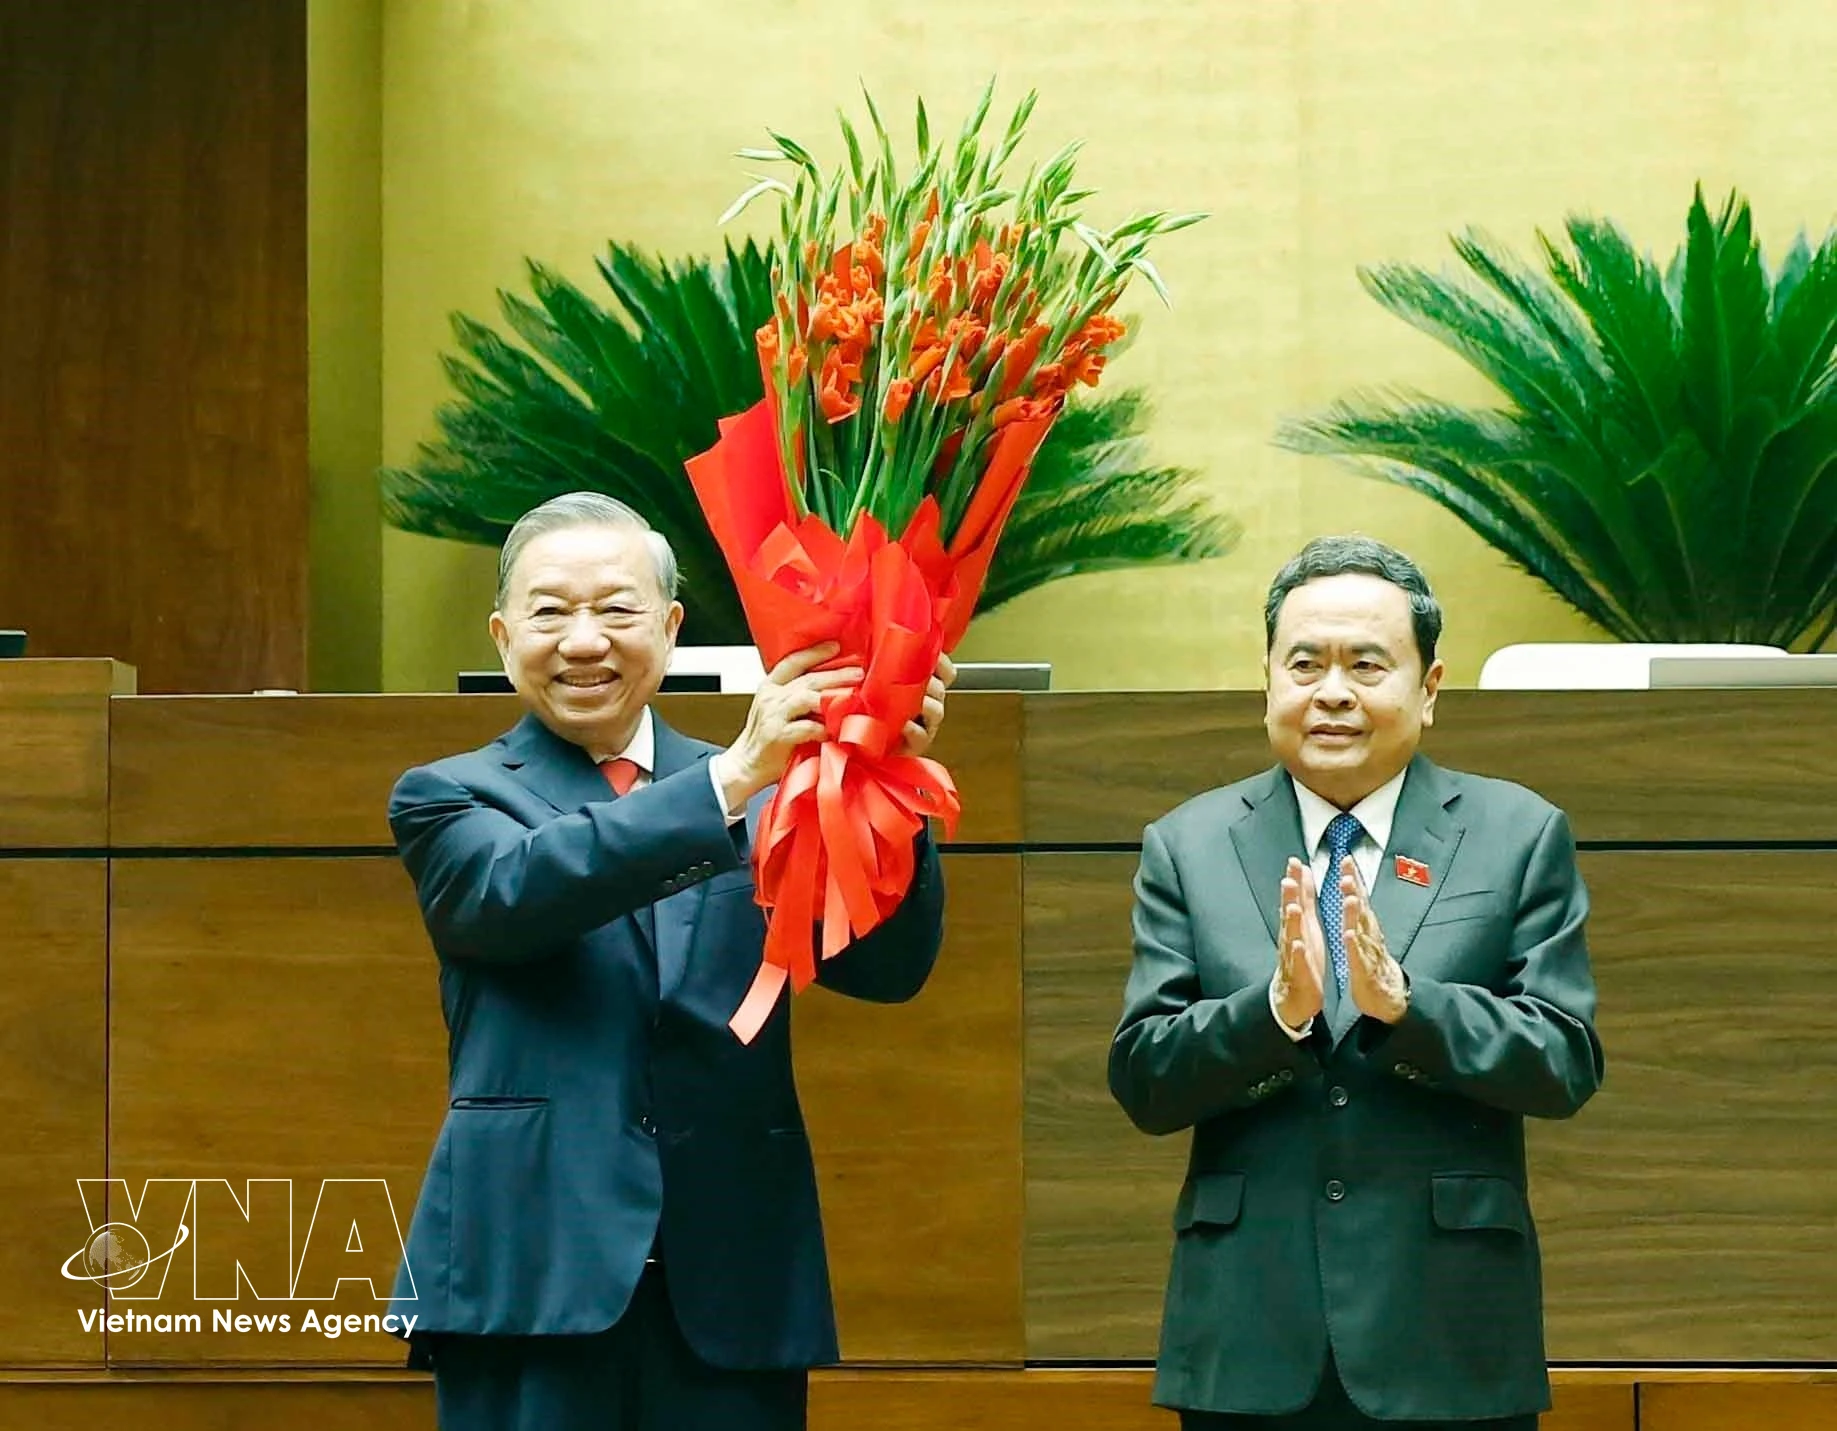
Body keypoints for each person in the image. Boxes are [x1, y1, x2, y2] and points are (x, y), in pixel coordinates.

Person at [385, 492, 950, 1431]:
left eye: (615, 609)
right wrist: (731, 779)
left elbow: (883, 968)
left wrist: (878, 778)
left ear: (671, 625)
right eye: (550, 611)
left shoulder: (776, 790)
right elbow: (514, 897)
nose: (583, 641)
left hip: (731, 1279)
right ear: (499, 633)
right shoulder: (450, 795)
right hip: (532, 1275)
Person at [1108, 535, 1604, 1430]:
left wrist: (1409, 1009)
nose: (1331, 691)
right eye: (1305, 663)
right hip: (1248, 1334)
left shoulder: (1516, 833)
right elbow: (1143, 1076)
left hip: (1446, 1334)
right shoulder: (1187, 842)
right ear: (1267, 679)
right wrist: (1269, 1015)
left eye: (1366, 664)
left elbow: (1563, 1059)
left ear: (1429, 686)